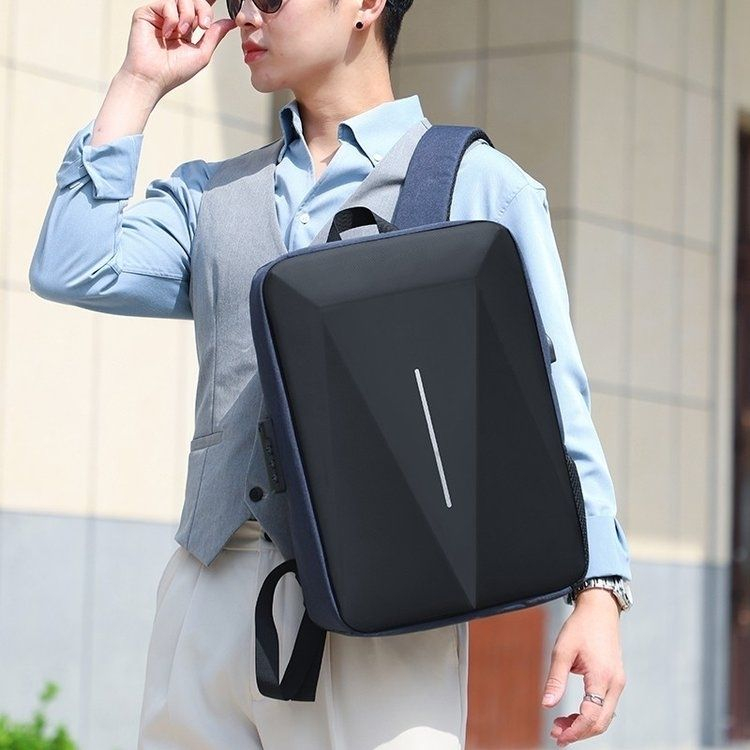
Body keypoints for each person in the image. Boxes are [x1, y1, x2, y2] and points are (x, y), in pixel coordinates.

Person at [28, 0, 634, 747]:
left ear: (366, 6)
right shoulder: (211, 194)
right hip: (210, 593)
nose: (245, 16)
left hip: (389, 607)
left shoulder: (476, 185)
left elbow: (555, 399)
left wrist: (599, 591)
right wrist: (138, 83)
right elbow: (71, 264)